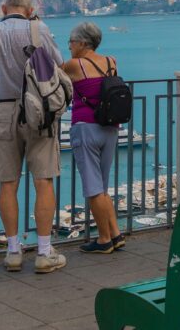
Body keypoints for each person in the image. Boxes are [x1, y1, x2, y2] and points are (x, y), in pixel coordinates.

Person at [0, 0, 68, 273]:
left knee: (8, 182)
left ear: (4, 9)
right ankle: (43, 252)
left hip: (3, 110)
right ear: (30, 10)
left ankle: (13, 251)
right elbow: (58, 65)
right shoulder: (38, 28)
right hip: (39, 111)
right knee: (43, 180)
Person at [60, 22, 123, 254]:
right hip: (110, 127)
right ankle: (116, 234)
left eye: (71, 41)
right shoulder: (111, 61)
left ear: (83, 43)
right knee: (102, 187)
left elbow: (49, 74)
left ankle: (104, 239)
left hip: (86, 127)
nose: (69, 46)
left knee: (93, 188)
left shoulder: (74, 65)